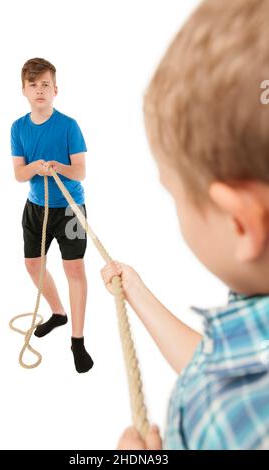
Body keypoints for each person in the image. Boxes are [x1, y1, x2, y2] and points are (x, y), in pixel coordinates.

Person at [101, 0, 269, 449]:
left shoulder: (240, 429)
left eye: (174, 193)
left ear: (239, 224)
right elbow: (218, 368)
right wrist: (136, 292)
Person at [11, 57, 93, 374]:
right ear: (24, 90)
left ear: (55, 89)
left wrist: (58, 167)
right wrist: (35, 167)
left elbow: (81, 171)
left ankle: (78, 340)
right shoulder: (18, 128)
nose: (39, 90)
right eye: (33, 85)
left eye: (45, 84)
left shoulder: (69, 126)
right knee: (33, 264)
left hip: (71, 210)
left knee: (74, 270)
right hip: (36, 208)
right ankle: (58, 313)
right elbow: (19, 174)